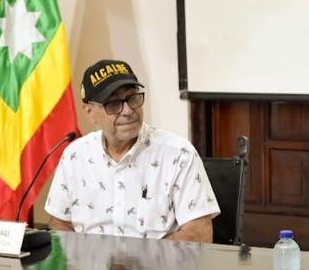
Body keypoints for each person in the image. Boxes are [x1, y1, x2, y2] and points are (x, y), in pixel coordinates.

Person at [45, 59, 219, 242]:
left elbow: (198, 233)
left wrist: (139, 264)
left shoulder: (178, 153)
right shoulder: (75, 155)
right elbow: (60, 224)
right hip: (91, 269)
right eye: (113, 104)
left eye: (133, 98)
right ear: (90, 112)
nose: (128, 111)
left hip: (157, 269)